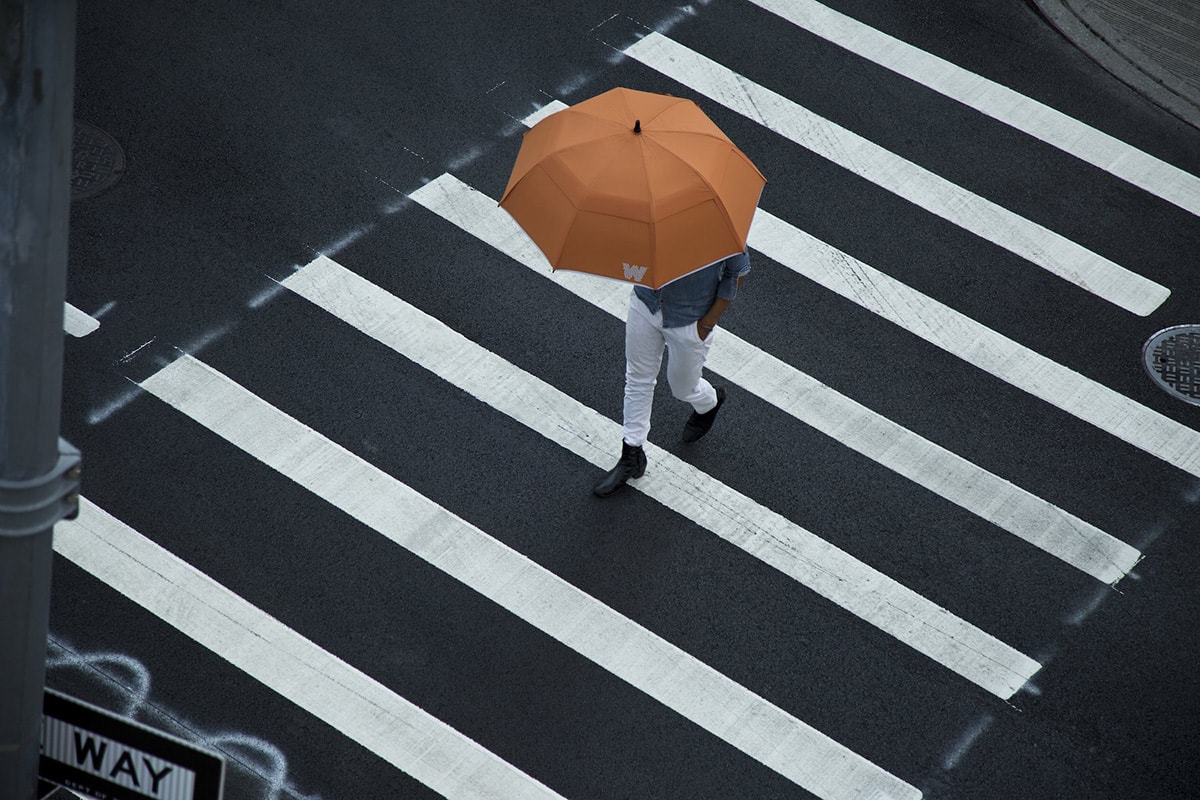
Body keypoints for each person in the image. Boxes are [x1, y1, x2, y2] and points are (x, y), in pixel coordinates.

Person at [593, 250, 751, 497]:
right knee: (638, 378)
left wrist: (708, 323)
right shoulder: (648, 211)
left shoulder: (718, 222)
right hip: (645, 303)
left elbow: (738, 270)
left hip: (691, 319)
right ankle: (631, 454)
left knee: (682, 388)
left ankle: (709, 401)